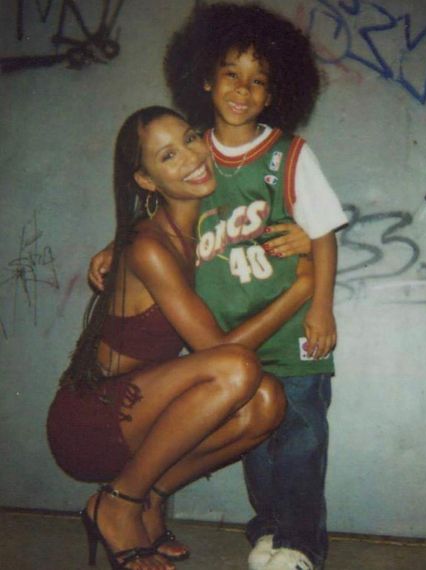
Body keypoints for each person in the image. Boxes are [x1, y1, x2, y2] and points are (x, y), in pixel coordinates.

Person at [47, 106, 316, 570]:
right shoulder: (149, 246)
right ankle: (118, 502)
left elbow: (294, 215)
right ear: (147, 180)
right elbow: (220, 354)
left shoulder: (206, 226)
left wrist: (305, 237)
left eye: (191, 138)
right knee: (238, 369)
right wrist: (299, 294)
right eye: (169, 155)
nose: (192, 157)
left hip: (148, 413)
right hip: (91, 420)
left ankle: (149, 494)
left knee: (268, 402)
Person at [164, 4, 348, 570]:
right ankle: (269, 529)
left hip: (291, 326)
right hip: (226, 336)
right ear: (205, 79)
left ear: (274, 94)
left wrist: (321, 307)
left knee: (300, 439)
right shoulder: (193, 157)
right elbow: (158, 217)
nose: (242, 89)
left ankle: (300, 544)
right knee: (252, 439)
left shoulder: (289, 154)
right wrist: (110, 247)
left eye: (258, 80)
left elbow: (323, 234)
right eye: (231, 73)